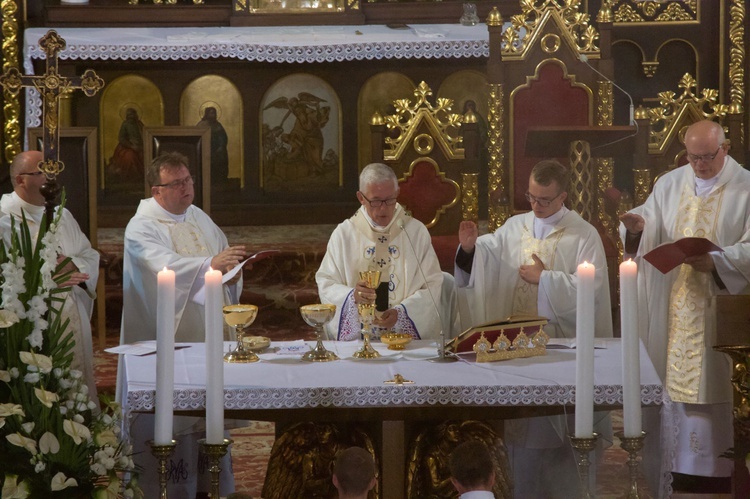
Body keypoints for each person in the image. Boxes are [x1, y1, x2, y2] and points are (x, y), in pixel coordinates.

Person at [455, 159, 613, 498]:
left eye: (544, 200)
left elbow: (592, 291)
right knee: (522, 449)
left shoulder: (583, 234)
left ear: (563, 197)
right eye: (531, 197)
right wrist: (469, 249)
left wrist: (546, 280)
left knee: (563, 454)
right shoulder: (515, 226)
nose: (536, 206)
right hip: (516, 352)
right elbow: (487, 259)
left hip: (559, 356)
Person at [619, 119, 749, 494]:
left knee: (716, 385)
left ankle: (720, 476)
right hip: (675, 308)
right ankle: (677, 470)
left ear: (725, 149)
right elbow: (651, 223)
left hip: (723, 310)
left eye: (708, 157)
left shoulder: (746, 187)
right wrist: (637, 227)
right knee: (674, 387)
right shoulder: (669, 183)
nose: (700, 165)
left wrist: (719, 262)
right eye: (693, 157)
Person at [118, 151, 246, 498]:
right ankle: (167, 488)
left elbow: (221, 256)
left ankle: (209, 485)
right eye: (177, 184)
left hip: (207, 334)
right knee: (173, 414)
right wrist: (209, 264)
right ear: (156, 190)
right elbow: (163, 269)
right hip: (166, 341)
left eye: (188, 180)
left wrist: (232, 266)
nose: (186, 188)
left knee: (208, 414)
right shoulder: (141, 226)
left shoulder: (198, 217)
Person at [0, 150, 100, 403]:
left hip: (70, 316)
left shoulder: (62, 215)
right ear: (20, 179)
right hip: (28, 324)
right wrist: (43, 278)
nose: (51, 178)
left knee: (74, 396)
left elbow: (89, 254)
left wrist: (72, 266)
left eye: (53, 171)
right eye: (42, 171)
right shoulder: (4, 218)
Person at [316, 162, 451, 341]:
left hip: (403, 342)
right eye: (376, 201)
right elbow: (326, 282)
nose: (383, 208)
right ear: (361, 198)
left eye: (389, 200)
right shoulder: (344, 234)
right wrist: (352, 297)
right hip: (358, 343)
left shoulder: (415, 232)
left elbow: (432, 285)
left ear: (397, 194)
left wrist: (402, 314)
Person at [109, 107, 144, 182]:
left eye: (133, 115)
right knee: (129, 156)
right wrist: (131, 146)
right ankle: (129, 177)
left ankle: (141, 178)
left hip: (140, 147)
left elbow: (145, 134)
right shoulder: (125, 124)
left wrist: (141, 145)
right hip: (127, 147)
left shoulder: (139, 124)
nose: (131, 117)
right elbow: (121, 138)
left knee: (144, 156)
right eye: (130, 115)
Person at [197, 106, 230, 185]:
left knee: (221, 160)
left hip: (218, 150)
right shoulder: (202, 124)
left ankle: (220, 181)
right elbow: (197, 138)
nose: (213, 115)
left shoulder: (218, 125)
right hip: (207, 150)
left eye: (214, 113)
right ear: (207, 114)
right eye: (211, 113)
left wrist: (221, 146)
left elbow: (223, 137)